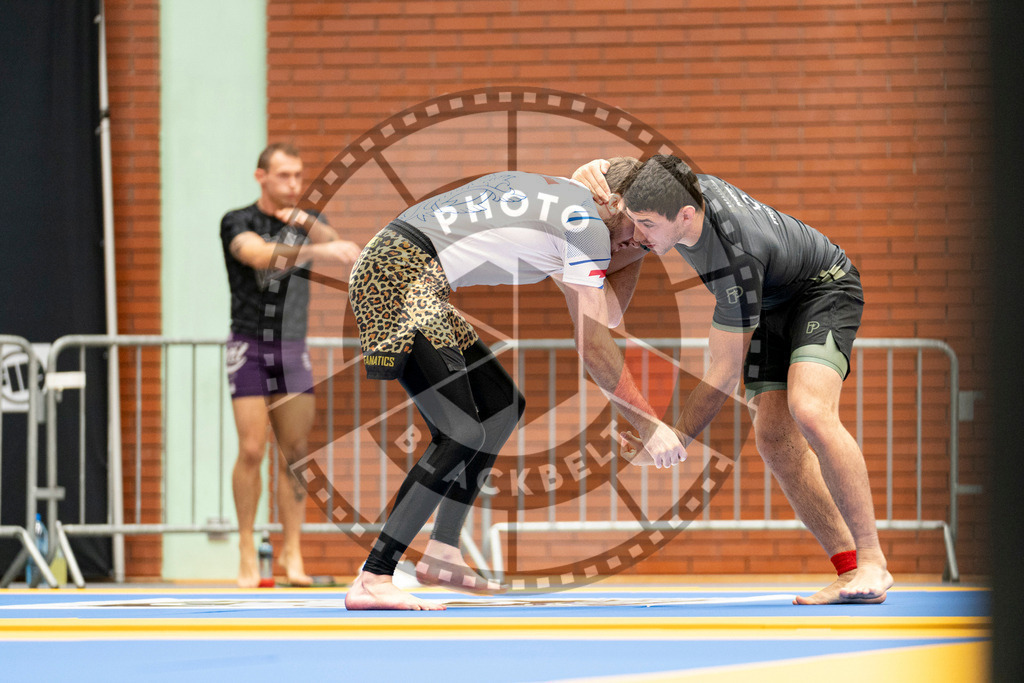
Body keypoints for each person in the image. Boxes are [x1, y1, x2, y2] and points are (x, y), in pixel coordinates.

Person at [343, 162, 687, 611]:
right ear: (614, 201)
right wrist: (646, 423)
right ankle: (374, 576)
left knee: (501, 406)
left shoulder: (580, 206)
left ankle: (443, 549)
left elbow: (608, 313)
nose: (639, 242)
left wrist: (639, 243)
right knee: (460, 430)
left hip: (411, 271)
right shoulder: (584, 226)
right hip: (397, 274)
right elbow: (594, 341)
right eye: (638, 228)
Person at [572, 155, 893, 605]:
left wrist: (673, 438)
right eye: (633, 221)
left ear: (685, 216)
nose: (637, 236)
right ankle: (848, 571)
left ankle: (873, 559)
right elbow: (639, 170)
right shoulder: (677, 192)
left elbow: (722, 373)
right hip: (768, 301)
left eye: (646, 224)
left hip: (821, 290)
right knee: (775, 439)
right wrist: (596, 167)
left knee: (810, 411)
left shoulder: (736, 257)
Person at [220, 143, 362, 587]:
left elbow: (341, 246)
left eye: (299, 176)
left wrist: (310, 224)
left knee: (296, 455)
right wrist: (316, 250)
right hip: (248, 342)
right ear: (261, 177)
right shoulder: (238, 221)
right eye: (284, 176)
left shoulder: (303, 224)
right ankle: (246, 547)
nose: (294, 185)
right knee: (251, 449)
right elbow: (259, 256)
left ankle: (293, 554)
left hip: (291, 346)